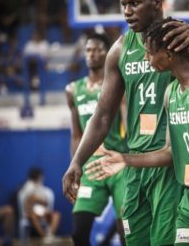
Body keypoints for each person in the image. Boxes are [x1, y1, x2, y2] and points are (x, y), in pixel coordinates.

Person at [62, 0, 189, 244]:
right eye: (124, 5)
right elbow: (102, 116)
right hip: (136, 164)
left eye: (134, 3)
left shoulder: (184, 37)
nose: (127, 11)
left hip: (174, 166)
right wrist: (77, 161)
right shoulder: (119, 50)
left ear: (156, 3)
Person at [65, 33, 127, 246]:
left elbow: (128, 126)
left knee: (126, 231)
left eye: (98, 49)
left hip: (118, 164)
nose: (92, 54)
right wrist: (76, 164)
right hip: (92, 166)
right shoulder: (73, 90)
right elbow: (76, 135)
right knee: (78, 234)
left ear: (107, 52)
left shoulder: (117, 85)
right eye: (89, 50)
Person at [18, 167, 60, 239]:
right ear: (39, 176)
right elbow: (28, 203)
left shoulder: (41, 187)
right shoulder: (27, 187)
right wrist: (37, 203)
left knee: (56, 215)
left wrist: (43, 210)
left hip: (41, 212)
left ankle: (50, 235)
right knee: (34, 216)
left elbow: (45, 202)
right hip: (30, 214)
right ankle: (44, 237)